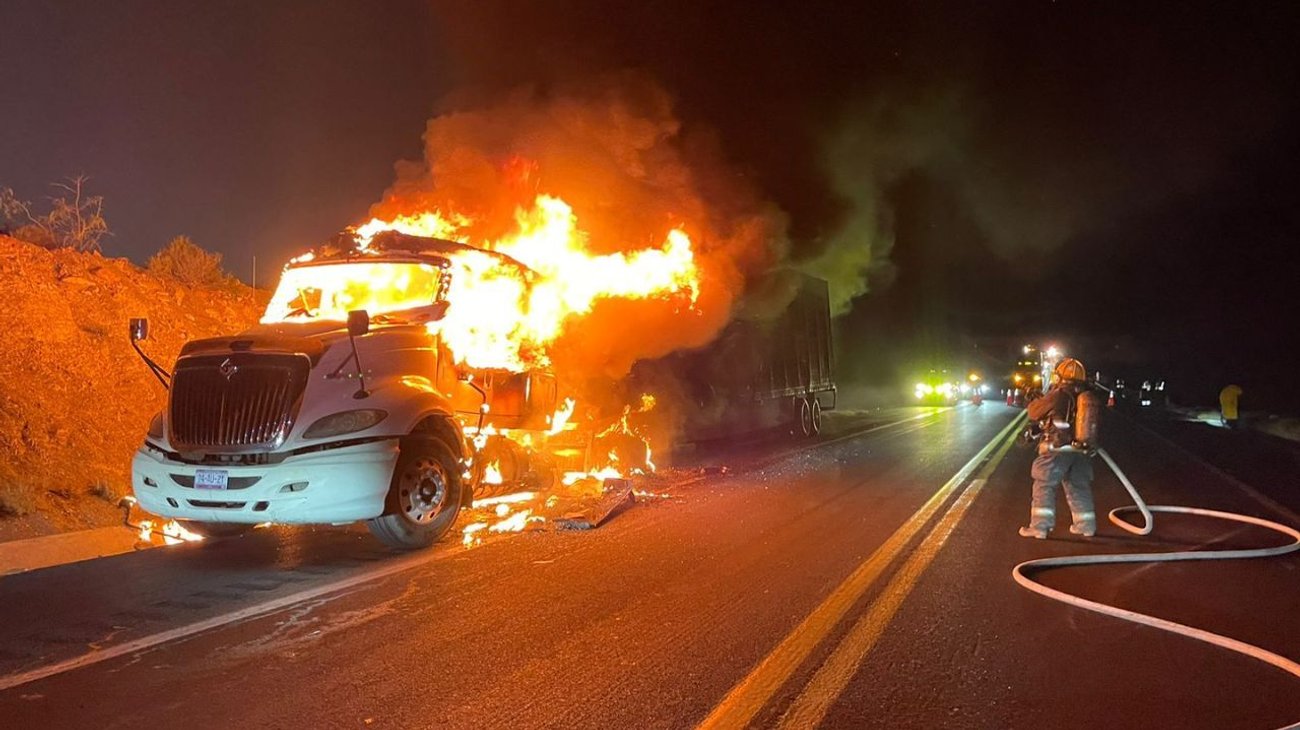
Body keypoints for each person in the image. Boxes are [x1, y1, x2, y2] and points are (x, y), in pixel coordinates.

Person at [1019, 357, 1096, 539]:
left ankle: (1039, 527)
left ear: (1060, 376)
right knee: (1078, 486)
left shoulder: (1059, 393)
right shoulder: (1086, 396)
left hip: (1058, 448)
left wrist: (1033, 399)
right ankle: (1086, 526)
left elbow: (1034, 412)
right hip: (1081, 449)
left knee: (1044, 484)